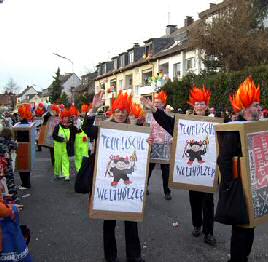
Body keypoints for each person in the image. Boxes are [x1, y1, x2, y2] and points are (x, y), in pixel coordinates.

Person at [216, 76, 268, 262]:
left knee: (251, 226)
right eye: (255, 105)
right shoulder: (233, 129)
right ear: (244, 108)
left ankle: (243, 257)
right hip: (240, 188)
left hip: (256, 185)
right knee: (240, 229)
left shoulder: (258, 125)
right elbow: (224, 159)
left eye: (258, 104)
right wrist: (231, 186)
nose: (258, 108)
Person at [141, 85, 217, 246]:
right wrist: (155, 110)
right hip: (191, 170)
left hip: (207, 170)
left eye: (202, 103)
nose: (200, 106)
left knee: (208, 202)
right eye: (197, 103)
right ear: (193, 106)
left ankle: (209, 232)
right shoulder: (184, 122)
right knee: (195, 199)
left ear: (207, 105)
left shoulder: (215, 122)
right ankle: (197, 225)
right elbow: (167, 122)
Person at [83, 91, 145, 262]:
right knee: (109, 223)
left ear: (127, 112)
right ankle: (110, 256)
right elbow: (87, 129)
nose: (120, 114)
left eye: (123, 111)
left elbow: (142, 151)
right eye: (117, 111)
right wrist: (93, 109)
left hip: (128, 186)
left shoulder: (135, 131)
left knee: (131, 221)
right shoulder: (103, 128)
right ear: (112, 112)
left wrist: (148, 143)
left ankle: (134, 255)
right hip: (108, 184)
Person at [146, 91, 172, 200]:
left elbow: (172, 128)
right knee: (148, 170)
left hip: (165, 146)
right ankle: (144, 187)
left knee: (166, 171)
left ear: (163, 104)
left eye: (159, 102)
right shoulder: (148, 115)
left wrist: (172, 138)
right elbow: (144, 128)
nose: (156, 104)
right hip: (152, 146)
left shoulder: (168, 115)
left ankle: (167, 191)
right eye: (155, 102)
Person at [52, 109, 75, 181]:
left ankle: (66, 175)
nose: (65, 119)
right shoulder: (58, 126)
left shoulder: (70, 127)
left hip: (66, 147)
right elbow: (54, 136)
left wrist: (70, 143)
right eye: (64, 117)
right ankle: (57, 173)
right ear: (62, 118)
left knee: (65, 160)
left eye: (67, 117)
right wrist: (61, 139)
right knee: (58, 161)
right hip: (58, 146)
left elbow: (72, 137)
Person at [16, 104, 33, 189]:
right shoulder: (29, 124)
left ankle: (25, 184)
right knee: (26, 168)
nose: (18, 116)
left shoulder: (20, 126)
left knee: (22, 168)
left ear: (22, 115)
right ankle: (26, 184)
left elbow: (19, 138)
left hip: (22, 149)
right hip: (28, 149)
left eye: (19, 115)